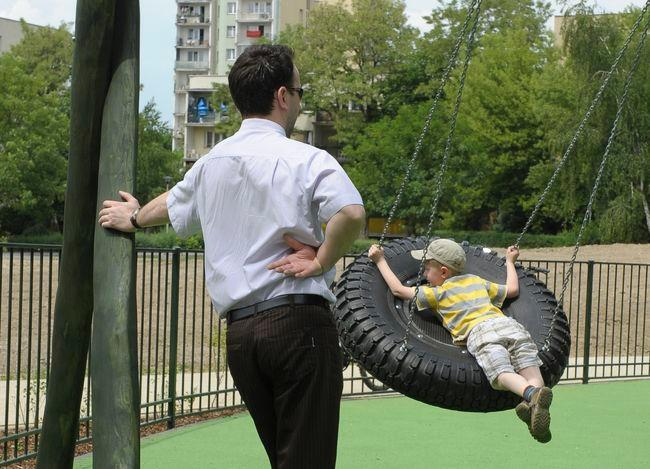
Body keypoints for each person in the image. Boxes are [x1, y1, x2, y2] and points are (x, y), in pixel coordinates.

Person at [98, 44, 365, 468]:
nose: (299, 99)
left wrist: (132, 217)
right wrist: (321, 260)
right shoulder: (307, 158)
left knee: (284, 456)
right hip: (298, 322)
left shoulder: (210, 163)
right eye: (299, 91)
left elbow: (172, 203)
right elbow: (350, 213)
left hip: (242, 336)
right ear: (282, 96)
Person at [368, 239, 553, 443]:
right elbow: (512, 290)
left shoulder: (438, 293)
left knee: (501, 374)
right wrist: (510, 261)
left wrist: (380, 260)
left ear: (444, 272)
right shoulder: (476, 281)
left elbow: (398, 290)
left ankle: (531, 393)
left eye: (428, 268)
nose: (424, 274)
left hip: (481, 332)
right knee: (529, 367)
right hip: (510, 326)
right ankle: (534, 404)